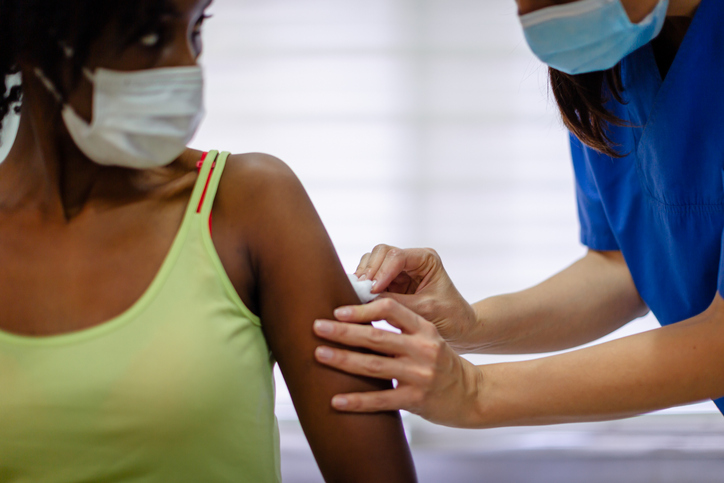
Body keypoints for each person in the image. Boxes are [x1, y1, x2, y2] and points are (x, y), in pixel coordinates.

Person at [0, 0, 417, 481]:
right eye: (152, 36)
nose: (187, 66)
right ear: (32, 39)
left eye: (196, 30)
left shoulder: (250, 205)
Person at [312, 0, 724, 429]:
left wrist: (473, 392)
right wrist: (471, 324)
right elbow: (623, 269)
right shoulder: (610, 65)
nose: (528, 11)